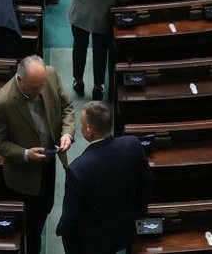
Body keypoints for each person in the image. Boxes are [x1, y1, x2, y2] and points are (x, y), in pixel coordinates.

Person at [0, 55, 75, 254]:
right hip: (23, 175)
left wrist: (67, 132)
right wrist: (25, 154)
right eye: (34, 87)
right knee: (31, 228)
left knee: (46, 208)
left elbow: (66, 107)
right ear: (19, 79)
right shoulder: (2, 103)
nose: (40, 90)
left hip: (49, 162)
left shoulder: (50, 74)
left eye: (42, 84)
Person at [57, 100, 152, 254]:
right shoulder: (133, 145)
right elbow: (146, 185)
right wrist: (136, 214)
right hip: (127, 230)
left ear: (88, 131)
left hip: (95, 242)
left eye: (82, 125)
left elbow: (71, 220)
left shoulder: (77, 169)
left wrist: (62, 231)